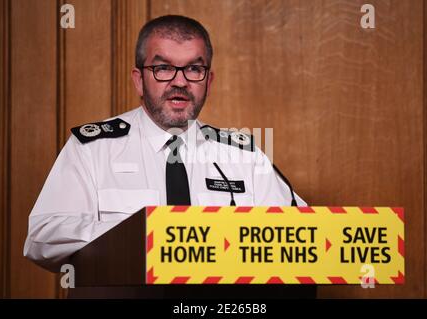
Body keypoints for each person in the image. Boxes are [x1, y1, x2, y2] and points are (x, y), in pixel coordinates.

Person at [24, 15, 315, 298]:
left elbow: (302, 237)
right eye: (163, 68)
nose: (180, 82)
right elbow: (42, 237)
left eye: (194, 69)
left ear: (208, 82)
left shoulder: (244, 155)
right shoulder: (92, 148)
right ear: (139, 80)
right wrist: (148, 234)